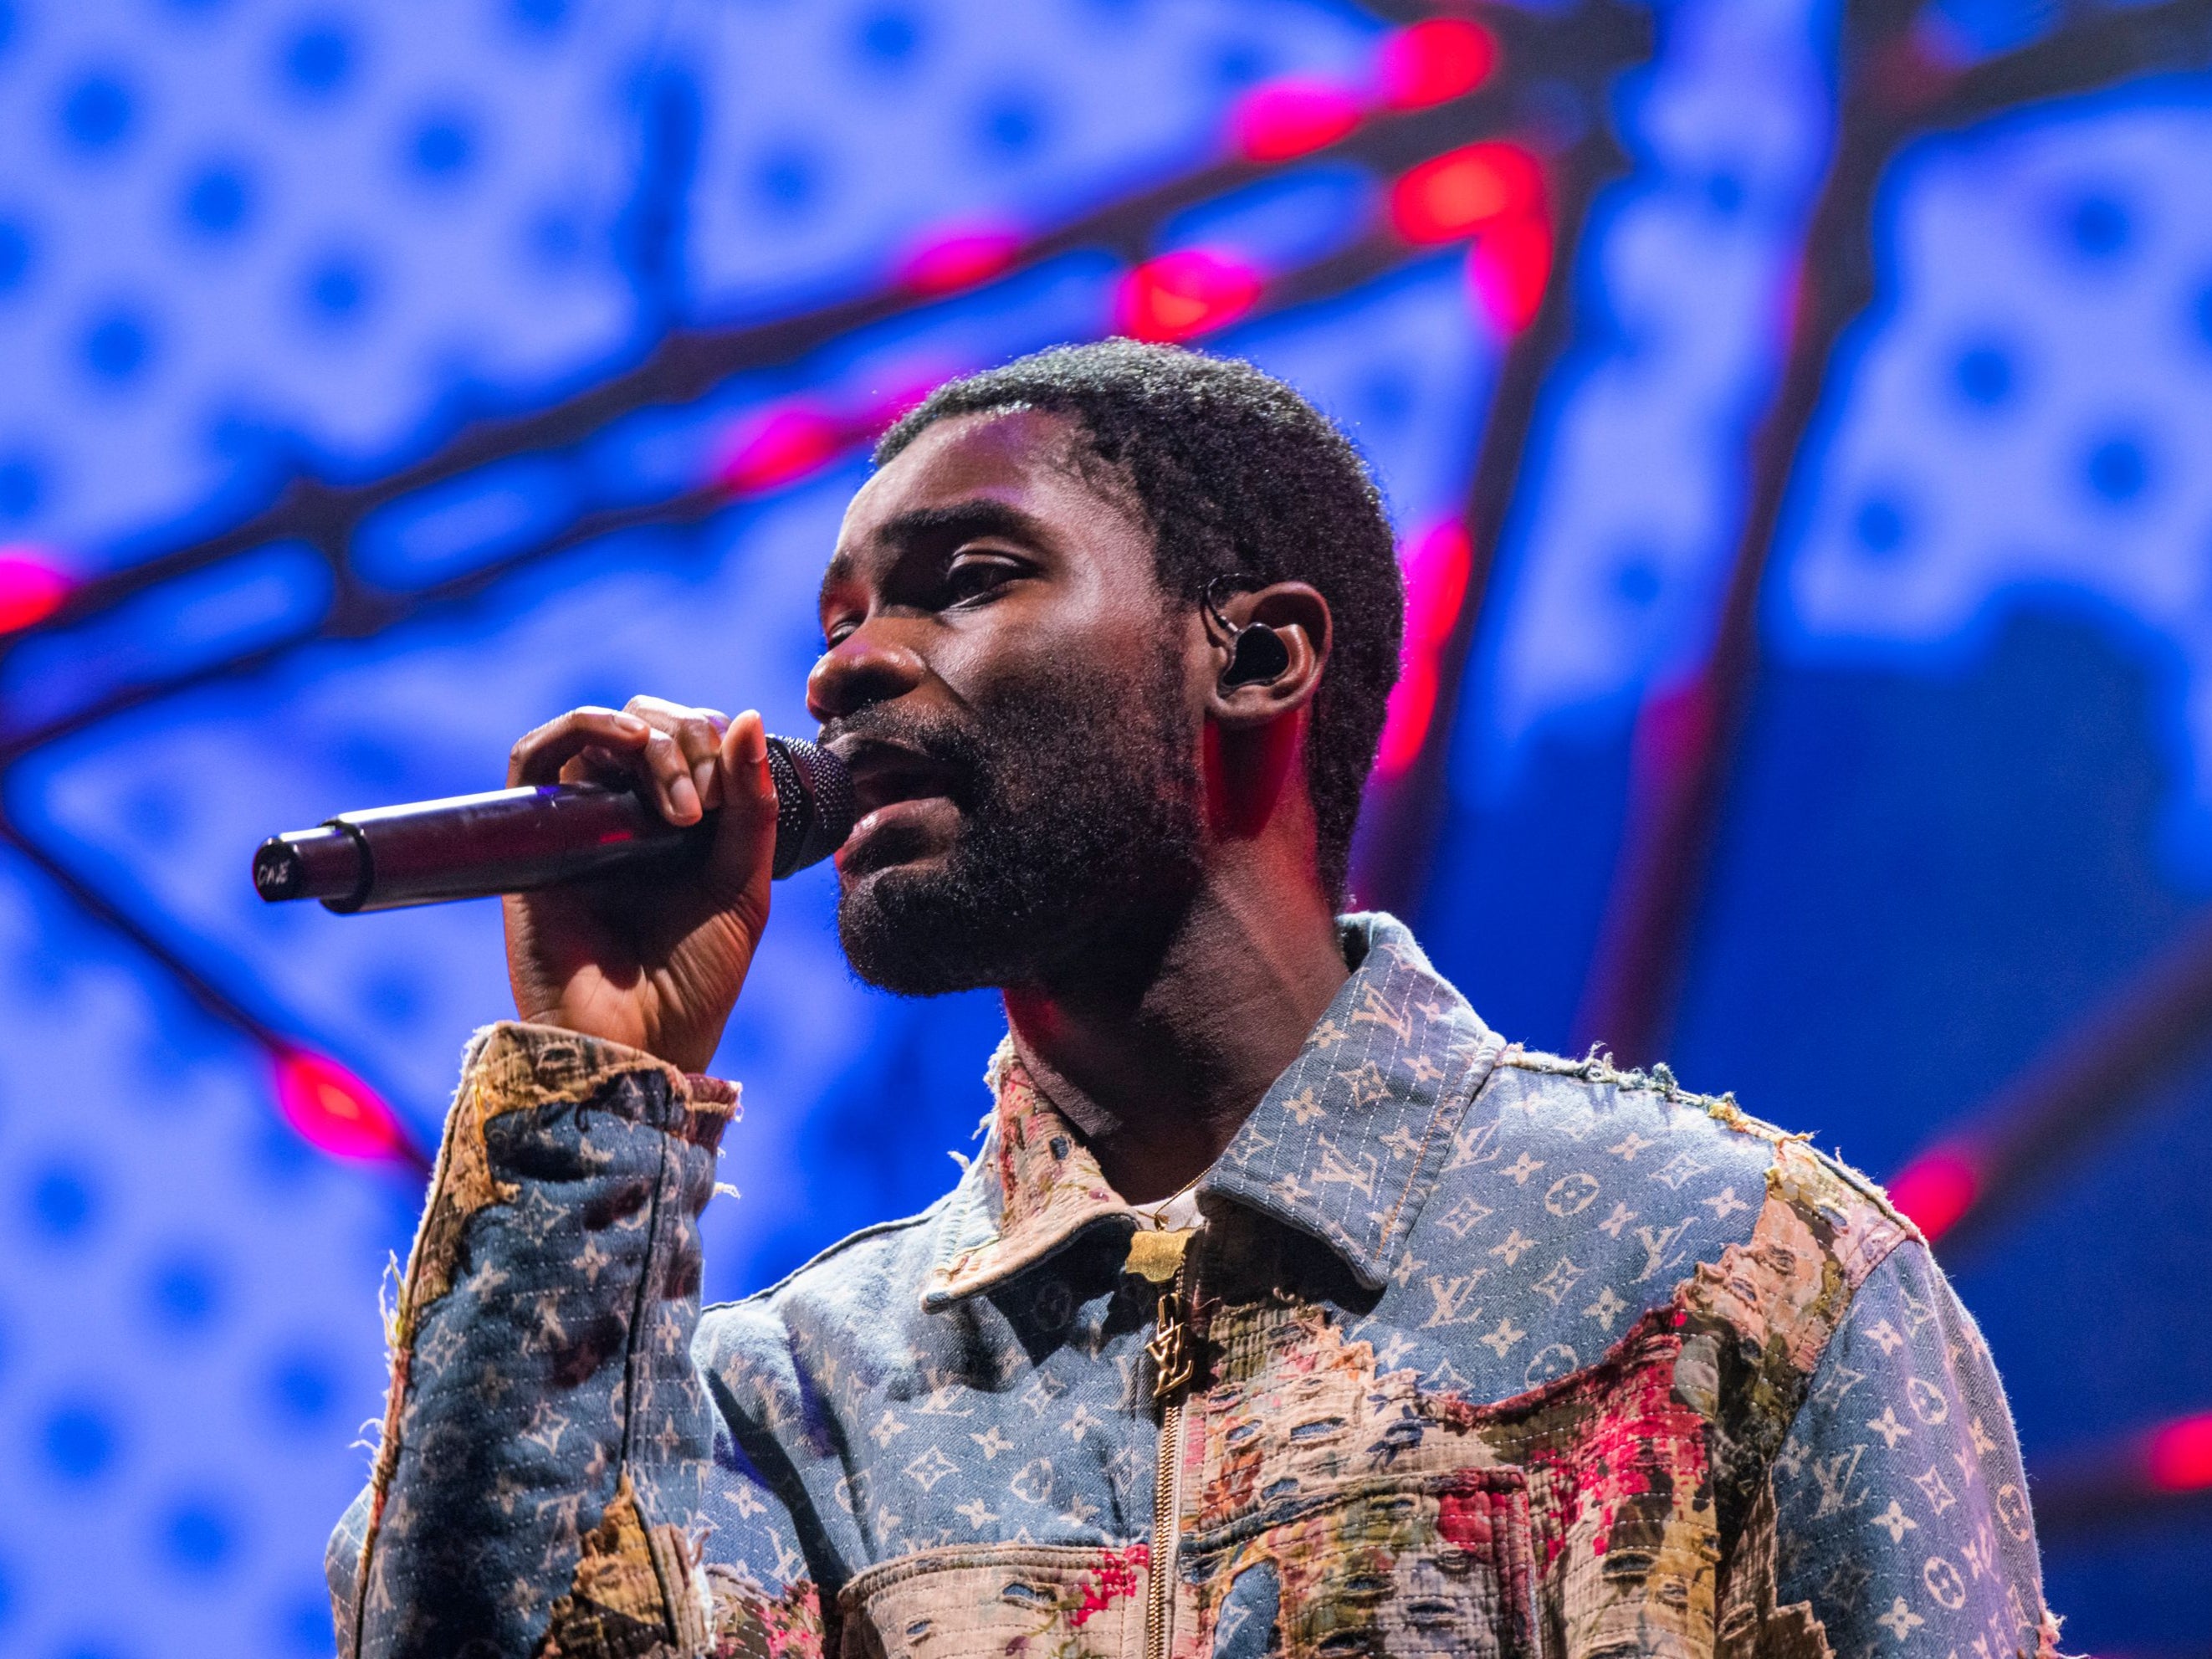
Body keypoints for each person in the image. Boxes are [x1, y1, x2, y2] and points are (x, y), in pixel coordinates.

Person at [328, 341, 2057, 1659]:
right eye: (840, 613)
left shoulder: (1714, 1265)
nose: (841, 665)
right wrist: (592, 1082)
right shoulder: (791, 1402)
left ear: (1254, 654)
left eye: (966, 577)